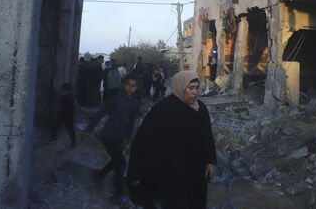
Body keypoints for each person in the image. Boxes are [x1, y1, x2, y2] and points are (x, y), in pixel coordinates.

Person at [126, 71, 216, 209]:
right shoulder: (163, 109)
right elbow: (144, 141)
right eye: (191, 88)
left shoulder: (200, 108)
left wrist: (210, 161)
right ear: (180, 86)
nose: (195, 92)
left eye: (197, 88)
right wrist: (137, 171)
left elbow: (207, 136)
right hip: (172, 172)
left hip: (197, 171)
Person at [82, 75, 141, 206]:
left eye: (133, 86)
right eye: (128, 85)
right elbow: (100, 113)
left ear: (136, 87)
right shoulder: (116, 99)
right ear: (123, 85)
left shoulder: (135, 103)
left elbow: (131, 122)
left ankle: (99, 174)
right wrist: (88, 130)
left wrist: (127, 138)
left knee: (116, 160)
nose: (130, 88)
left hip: (120, 137)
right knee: (121, 164)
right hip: (108, 136)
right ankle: (118, 196)